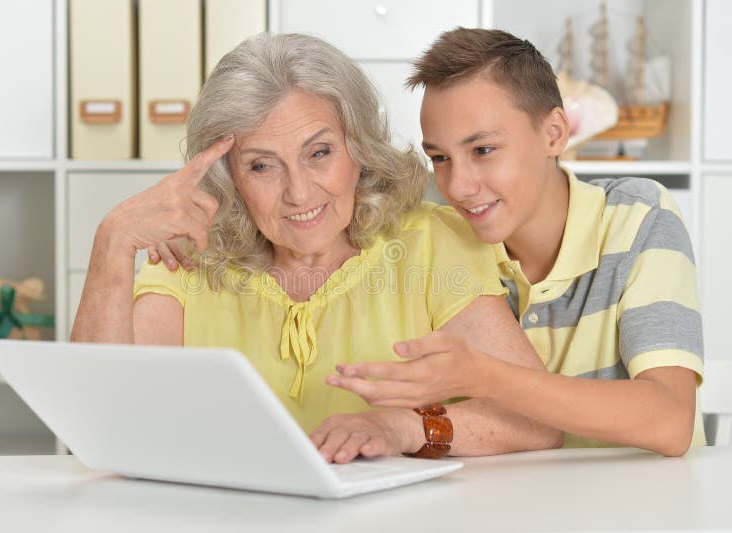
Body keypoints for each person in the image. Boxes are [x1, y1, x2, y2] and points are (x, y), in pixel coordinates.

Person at [71, 32, 562, 464]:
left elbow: (535, 421)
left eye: (319, 153)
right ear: (229, 176)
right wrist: (112, 242)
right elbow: (97, 427)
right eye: (262, 166)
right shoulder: (190, 255)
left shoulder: (432, 243)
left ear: (359, 148)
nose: (299, 193)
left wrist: (403, 427)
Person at [329, 28, 704, 457]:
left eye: (483, 150)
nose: (459, 185)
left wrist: (483, 375)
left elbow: (671, 420)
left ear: (554, 133)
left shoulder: (638, 217)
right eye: (440, 158)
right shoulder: (445, 241)